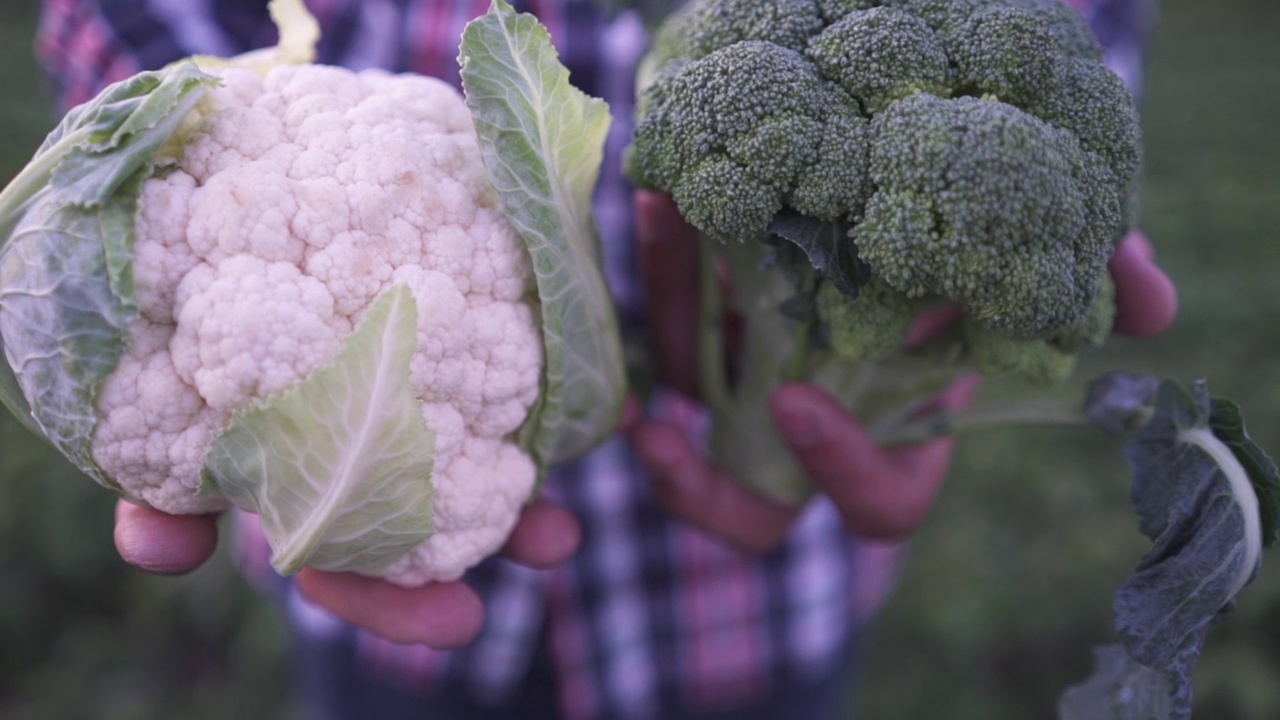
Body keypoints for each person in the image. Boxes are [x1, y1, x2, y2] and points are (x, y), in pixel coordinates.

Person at [37, 0, 1176, 718]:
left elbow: (1054, 34)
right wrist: (170, 160)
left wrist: (963, 236)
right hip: (386, 634)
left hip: (758, 618)